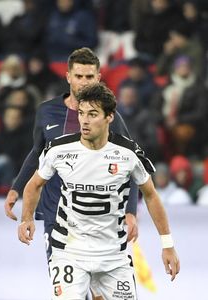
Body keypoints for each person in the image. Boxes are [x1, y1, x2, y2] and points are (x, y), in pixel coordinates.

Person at [19, 83, 180, 299]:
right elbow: (34, 184)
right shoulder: (59, 149)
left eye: (93, 114)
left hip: (113, 255)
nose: (84, 120)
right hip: (69, 252)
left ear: (109, 117)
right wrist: (26, 218)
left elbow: (150, 195)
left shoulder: (127, 153)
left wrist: (167, 245)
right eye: (82, 113)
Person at [5, 48, 139, 260]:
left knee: (98, 291)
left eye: (89, 77)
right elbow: (37, 152)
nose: (84, 82)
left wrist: (131, 211)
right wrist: (16, 188)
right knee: (67, 290)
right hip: (55, 212)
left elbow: (131, 166)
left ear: (98, 78)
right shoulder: (46, 111)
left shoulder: (110, 119)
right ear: (68, 77)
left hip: (100, 217)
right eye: (78, 76)